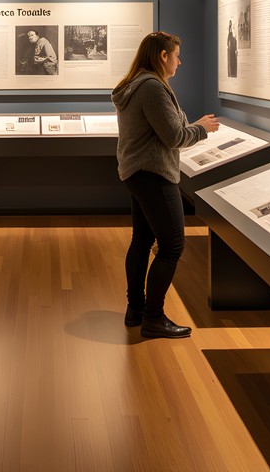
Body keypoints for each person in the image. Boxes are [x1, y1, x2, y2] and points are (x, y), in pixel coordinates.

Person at [111, 31, 219, 339]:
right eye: (176, 55)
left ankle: (136, 310)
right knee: (172, 246)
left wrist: (189, 126)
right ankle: (154, 318)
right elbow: (174, 136)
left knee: (142, 240)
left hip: (136, 173)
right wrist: (201, 128)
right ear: (162, 56)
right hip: (154, 174)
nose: (179, 61)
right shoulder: (152, 89)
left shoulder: (134, 85)